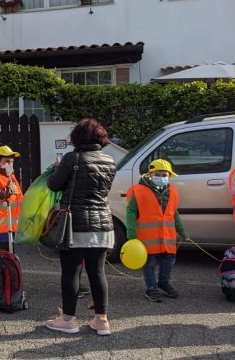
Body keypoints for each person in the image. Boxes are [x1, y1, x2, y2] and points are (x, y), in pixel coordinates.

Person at [45, 118, 116, 336]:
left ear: (77, 137)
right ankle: (101, 321)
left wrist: (57, 169)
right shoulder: (110, 161)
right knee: (98, 272)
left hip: (74, 225)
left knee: (71, 272)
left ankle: (68, 320)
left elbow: (53, 184)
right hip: (102, 224)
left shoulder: (71, 159)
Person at [126, 159, 189, 303]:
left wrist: (183, 232)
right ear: (150, 174)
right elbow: (130, 212)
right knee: (149, 264)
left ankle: (163, 282)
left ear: (169, 175)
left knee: (169, 261)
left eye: (164, 174)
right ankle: (151, 288)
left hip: (167, 238)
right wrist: (132, 234)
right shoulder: (139, 191)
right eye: (158, 174)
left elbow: (174, 213)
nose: (161, 177)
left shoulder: (172, 191)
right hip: (147, 238)